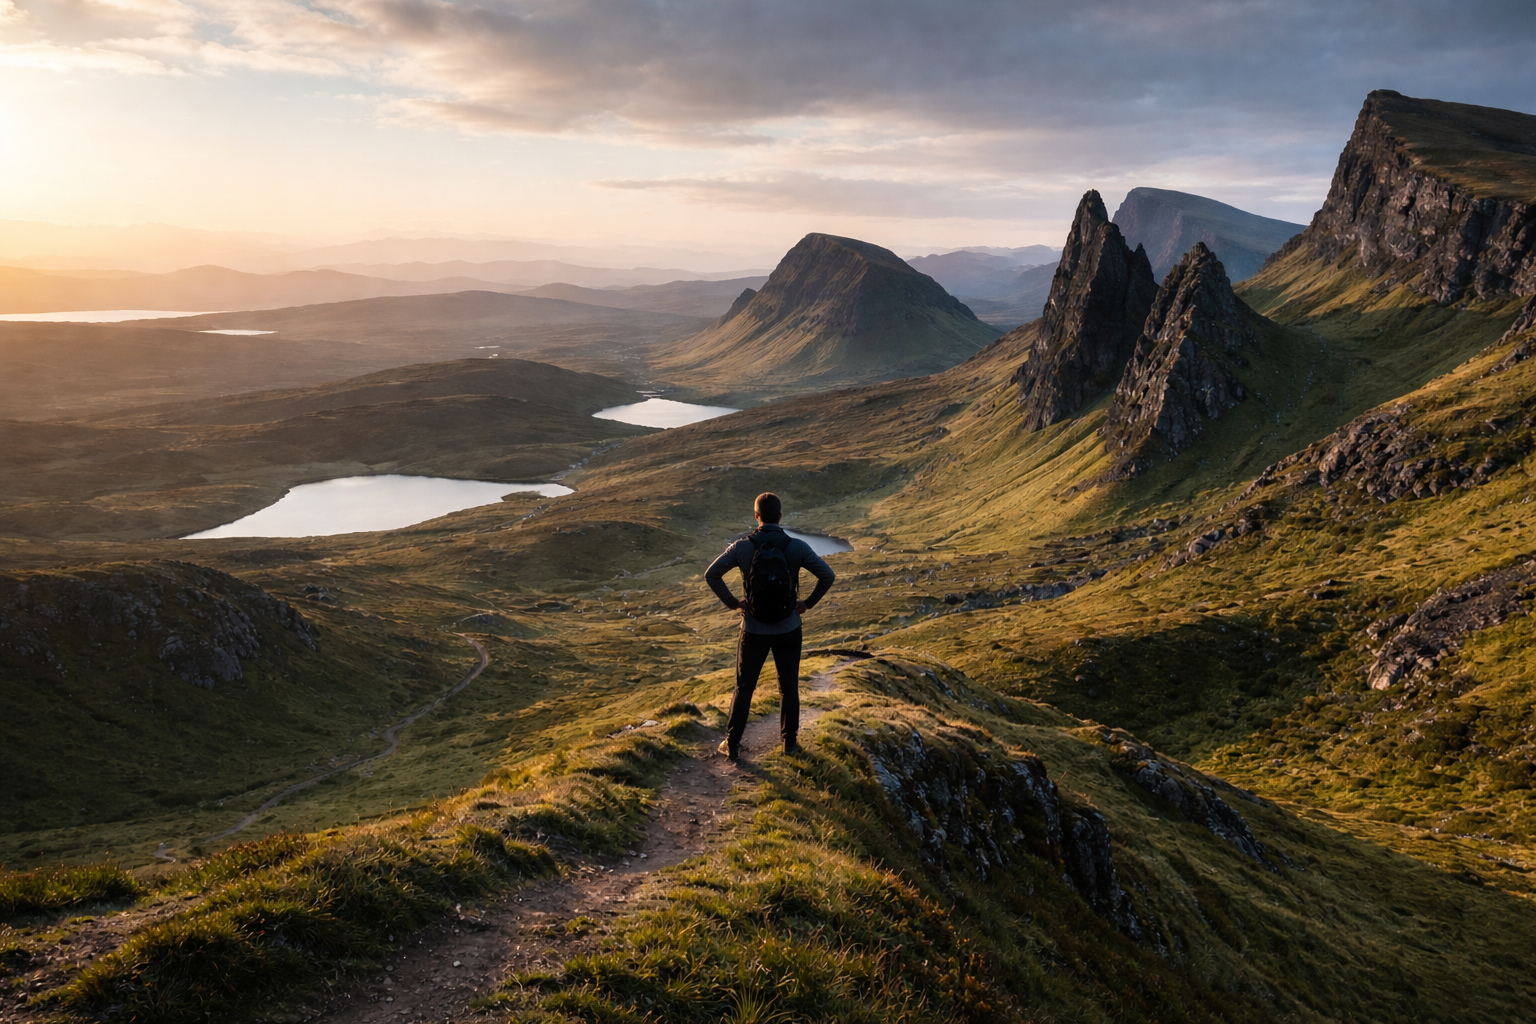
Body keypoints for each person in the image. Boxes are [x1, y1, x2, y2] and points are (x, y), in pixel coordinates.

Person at [704, 492, 836, 761]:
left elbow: (712, 574)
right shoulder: (797, 547)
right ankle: (789, 745)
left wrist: (734, 603)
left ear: (756, 516)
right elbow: (827, 575)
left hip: (753, 629)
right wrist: (806, 603)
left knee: (744, 687)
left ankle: (731, 744)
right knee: (788, 686)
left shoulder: (742, 547)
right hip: (789, 628)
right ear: (780, 517)